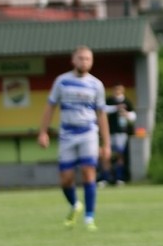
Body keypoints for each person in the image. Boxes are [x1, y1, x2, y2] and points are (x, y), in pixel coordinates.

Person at [37, 45, 111, 231]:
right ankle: (75, 205)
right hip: (67, 135)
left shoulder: (96, 85)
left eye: (88, 59)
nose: (84, 62)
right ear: (73, 60)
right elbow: (50, 107)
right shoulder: (62, 81)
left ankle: (89, 217)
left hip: (88, 133)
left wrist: (106, 143)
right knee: (66, 178)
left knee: (88, 172)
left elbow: (101, 115)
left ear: (91, 62)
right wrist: (43, 132)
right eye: (81, 58)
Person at [101, 84, 136, 186]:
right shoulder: (109, 100)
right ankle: (105, 178)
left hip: (122, 132)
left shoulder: (126, 101)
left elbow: (133, 116)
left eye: (119, 89)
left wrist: (126, 114)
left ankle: (119, 177)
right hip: (109, 131)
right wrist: (116, 108)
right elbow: (103, 109)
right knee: (106, 155)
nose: (117, 91)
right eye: (116, 89)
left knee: (120, 154)